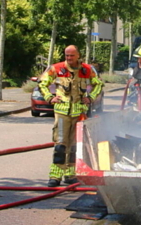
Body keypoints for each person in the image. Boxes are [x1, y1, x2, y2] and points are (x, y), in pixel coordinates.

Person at [38, 45, 103, 188]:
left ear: (78, 55)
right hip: (62, 113)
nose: (69, 58)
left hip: (79, 113)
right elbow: (42, 83)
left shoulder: (87, 70)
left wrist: (90, 98)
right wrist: (50, 98)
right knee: (60, 145)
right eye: (67, 55)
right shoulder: (56, 68)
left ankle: (70, 175)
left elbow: (98, 85)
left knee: (74, 146)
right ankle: (55, 176)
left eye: (72, 55)